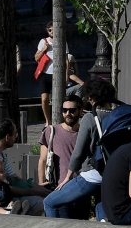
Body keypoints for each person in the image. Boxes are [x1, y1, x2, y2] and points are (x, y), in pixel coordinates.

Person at [43, 78, 117, 219]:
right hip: (110, 174)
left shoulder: (90, 117)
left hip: (91, 173)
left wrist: (68, 177)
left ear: (92, 97)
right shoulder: (116, 116)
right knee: (102, 212)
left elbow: (78, 152)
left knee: (50, 202)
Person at [37, 95, 82, 190]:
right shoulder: (51, 131)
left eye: (72, 110)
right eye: (64, 110)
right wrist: (42, 184)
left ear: (80, 111)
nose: (68, 113)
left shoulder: (85, 132)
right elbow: (43, 160)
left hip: (82, 187)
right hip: (59, 188)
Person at [35, 21, 67, 128]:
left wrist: (66, 75)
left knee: (58, 98)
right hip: (45, 74)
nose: (52, 32)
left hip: (57, 74)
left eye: (53, 29)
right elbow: (36, 58)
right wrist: (44, 49)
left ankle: (60, 120)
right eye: (49, 30)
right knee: (44, 99)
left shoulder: (62, 41)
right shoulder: (43, 42)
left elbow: (66, 60)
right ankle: (48, 121)